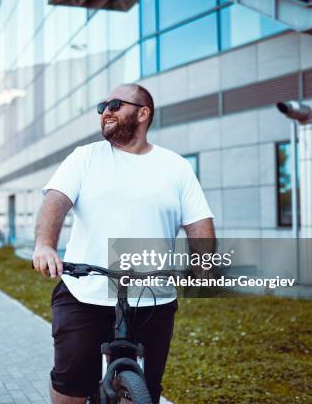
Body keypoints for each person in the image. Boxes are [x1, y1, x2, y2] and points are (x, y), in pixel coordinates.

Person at [32, 84, 215, 404]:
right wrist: (45, 245)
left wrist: (204, 266)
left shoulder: (176, 167)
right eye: (101, 106)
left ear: (143, 113)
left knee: (145, 392)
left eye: (115, 104)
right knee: (71, 386)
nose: (106, 112)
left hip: (153, 298)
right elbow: (56, 201)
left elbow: (198, 222)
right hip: (84, 292)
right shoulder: (85, 158)